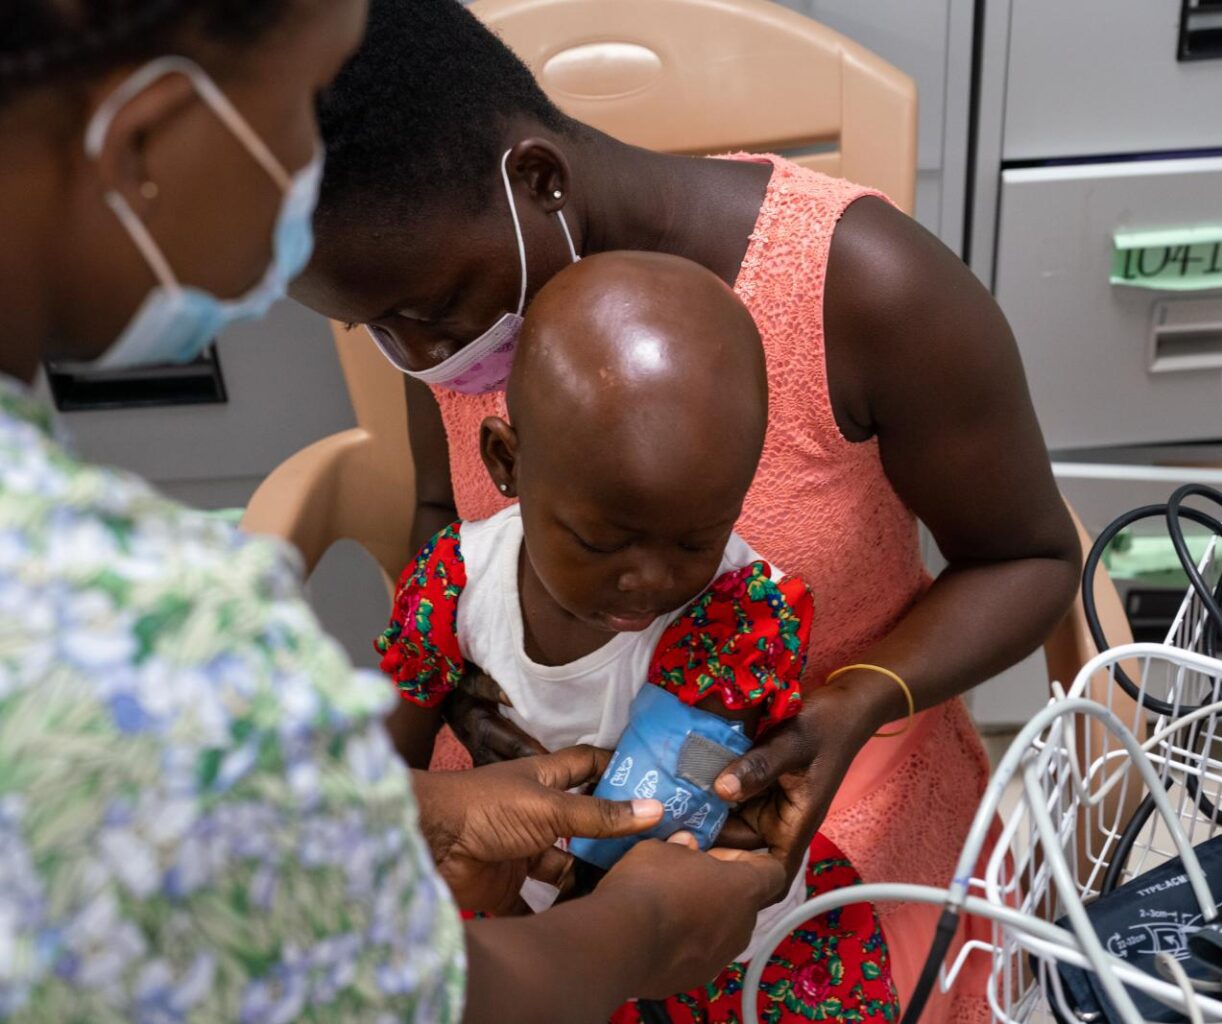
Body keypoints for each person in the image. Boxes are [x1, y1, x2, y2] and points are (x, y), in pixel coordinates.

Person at [292, 0, 1082, 1016]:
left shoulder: (870, 290)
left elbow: (1028, 558)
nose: (420, 356)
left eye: (423, 316)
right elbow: (447, 516)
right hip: (517, 837)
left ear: (536, 181)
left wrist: (856, 699)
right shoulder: (465, 318)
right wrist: (461, 696)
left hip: (810, 804)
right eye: (378, 328)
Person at [0, 2, 785, 1020]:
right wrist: (638, 928)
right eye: (301, 117)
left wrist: (424, 809)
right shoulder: (165, 647)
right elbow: (406, 997)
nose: (311, 182)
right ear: (150, 135)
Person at [377, 249, 899, 1022]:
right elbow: (385, 762)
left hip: (695, 884)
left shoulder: (737, 610)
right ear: (506, 462)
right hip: (512, 887)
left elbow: (705, 780)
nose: (647, 582)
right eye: (599, 543)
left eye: (693, 541)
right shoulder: (453, 587)